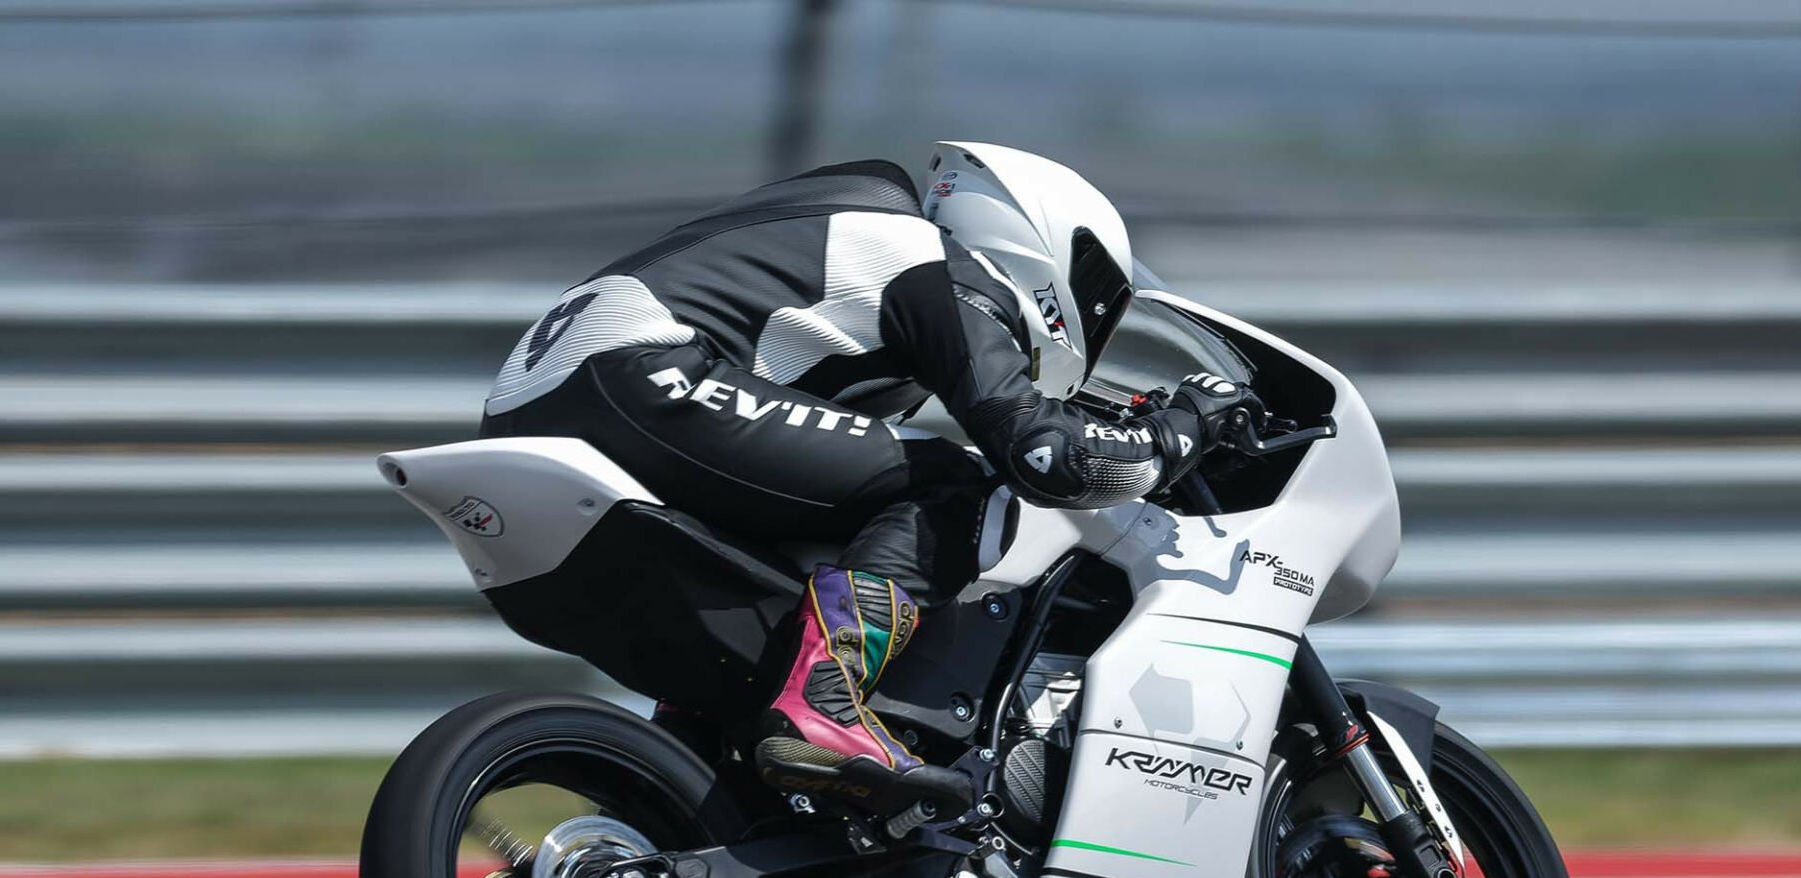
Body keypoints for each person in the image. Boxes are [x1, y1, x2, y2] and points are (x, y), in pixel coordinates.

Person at [480, 142, 1262, 806]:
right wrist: (1182, 424)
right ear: (1055, 254)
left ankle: (684, 790)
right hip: (639, 377)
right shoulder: (933, 260)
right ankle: (825, 704)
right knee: (954, 483)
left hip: (538, 403)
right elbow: (1048, 457)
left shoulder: (845, 250)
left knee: (784, 558)